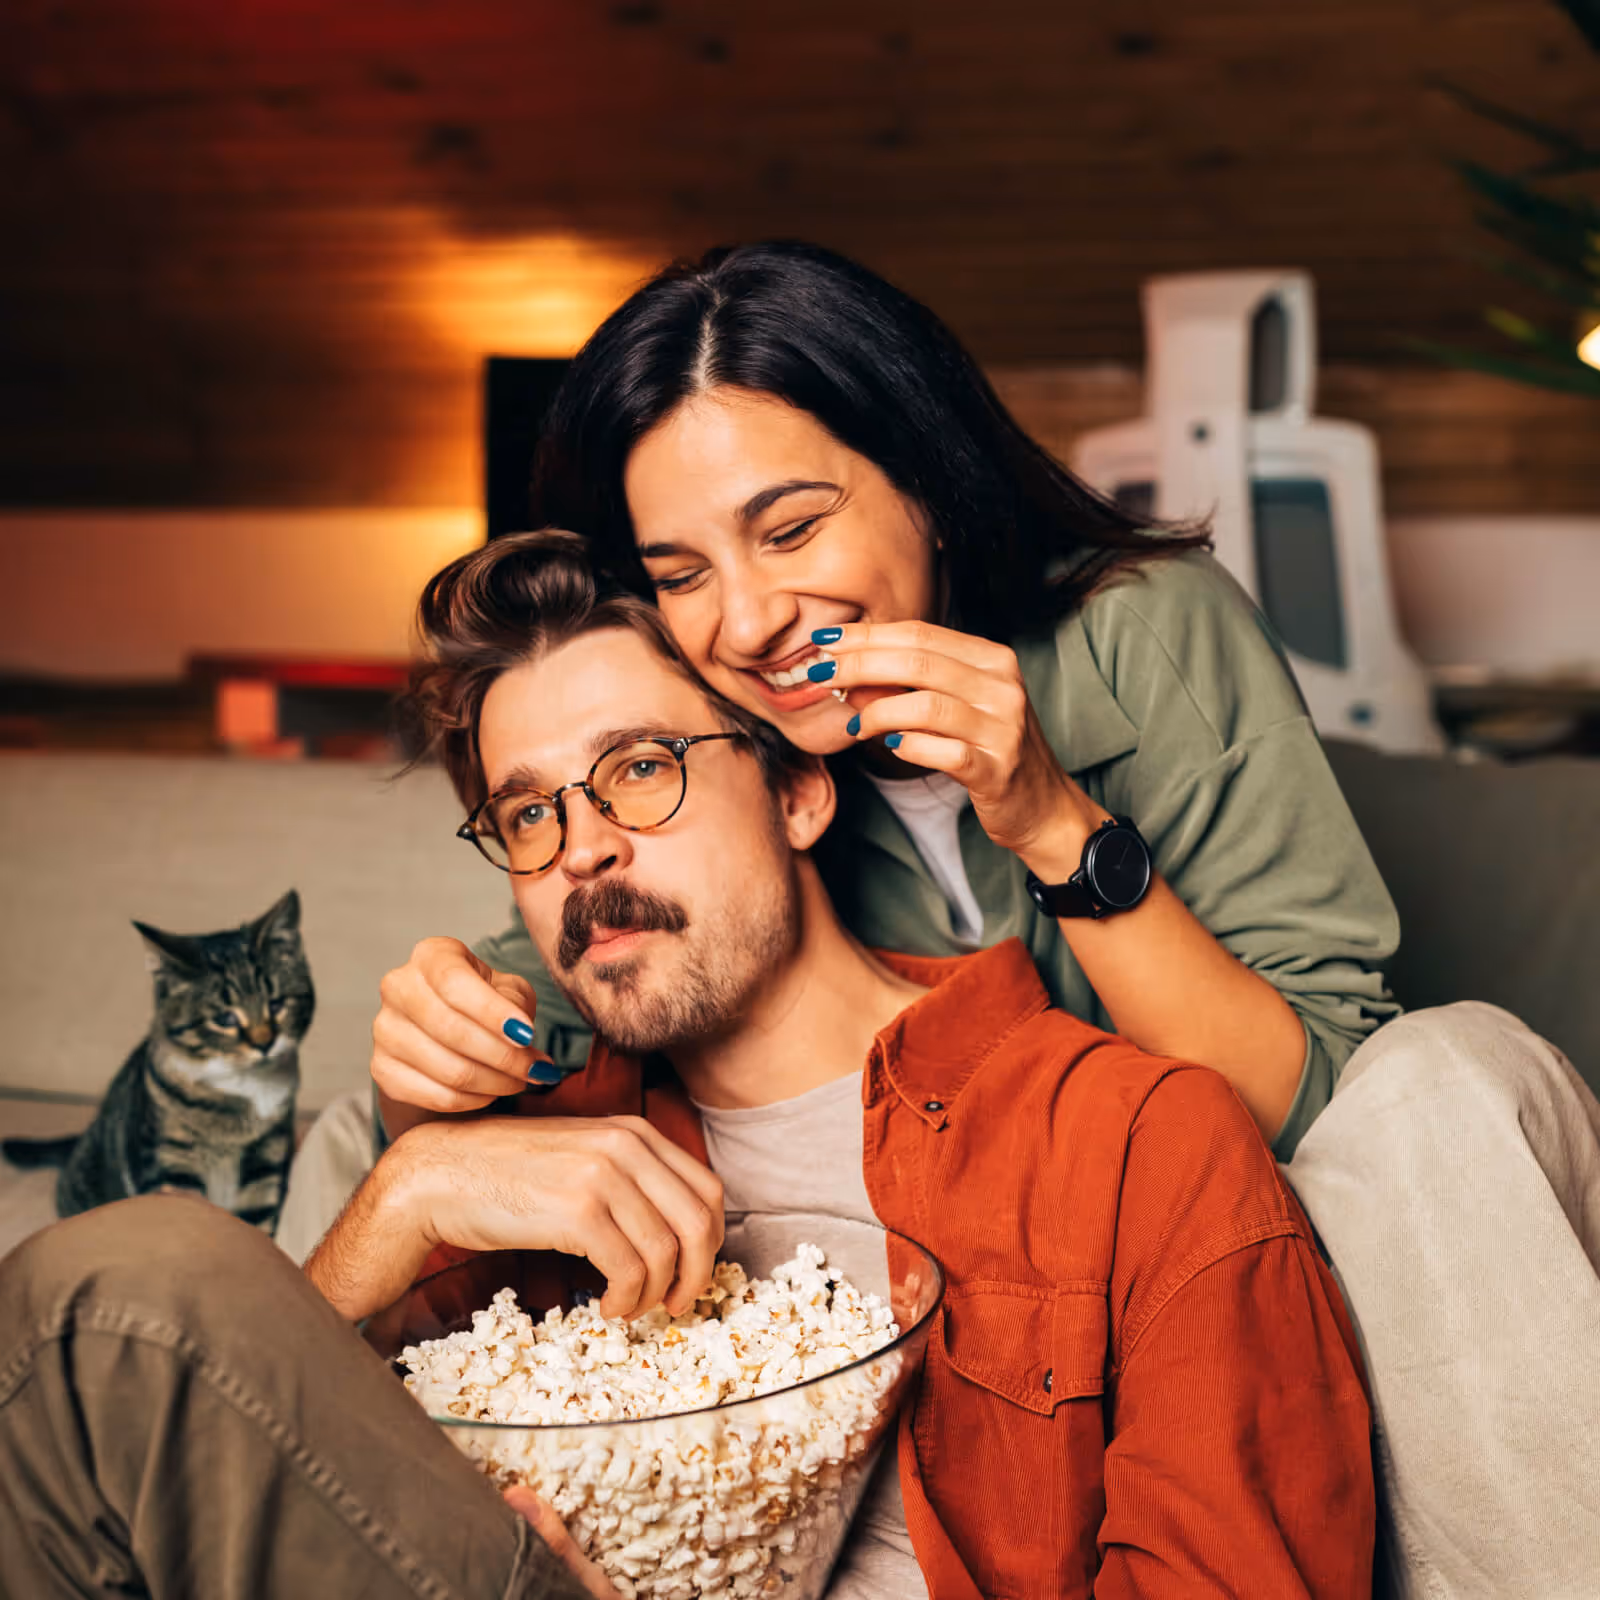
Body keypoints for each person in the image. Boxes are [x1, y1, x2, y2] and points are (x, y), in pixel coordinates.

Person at [0, 531, 1377, 1600]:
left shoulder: (1137, 1141)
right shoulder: (523, 1156)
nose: (583, 846)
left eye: (641, 770)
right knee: (106, 1301)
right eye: (527, 813)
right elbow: (247, 1484)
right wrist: (406, 1194)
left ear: (796, 790)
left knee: (111, 1292)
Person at [392, 240, 1398, 1163]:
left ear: (931, 485)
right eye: (682, 572)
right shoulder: (699, 705)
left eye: (788, 531)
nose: (745, 625)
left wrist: (1052, 823)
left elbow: (1321, 1105)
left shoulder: (1145, 631)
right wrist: (444, 1032)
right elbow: (562, 1007)